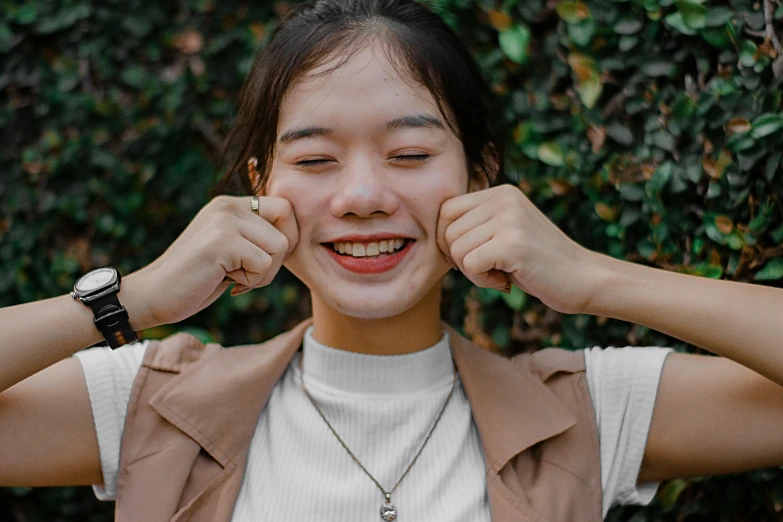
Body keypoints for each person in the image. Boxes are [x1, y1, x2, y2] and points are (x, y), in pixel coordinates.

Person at [1, 0, 783, 520]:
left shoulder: (579, 415)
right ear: (258, 187)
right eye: (313, 161)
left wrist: (594, 277)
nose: (363, 195)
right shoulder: (152, 405)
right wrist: (129, 301)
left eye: (408, 153)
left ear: (480, 177)